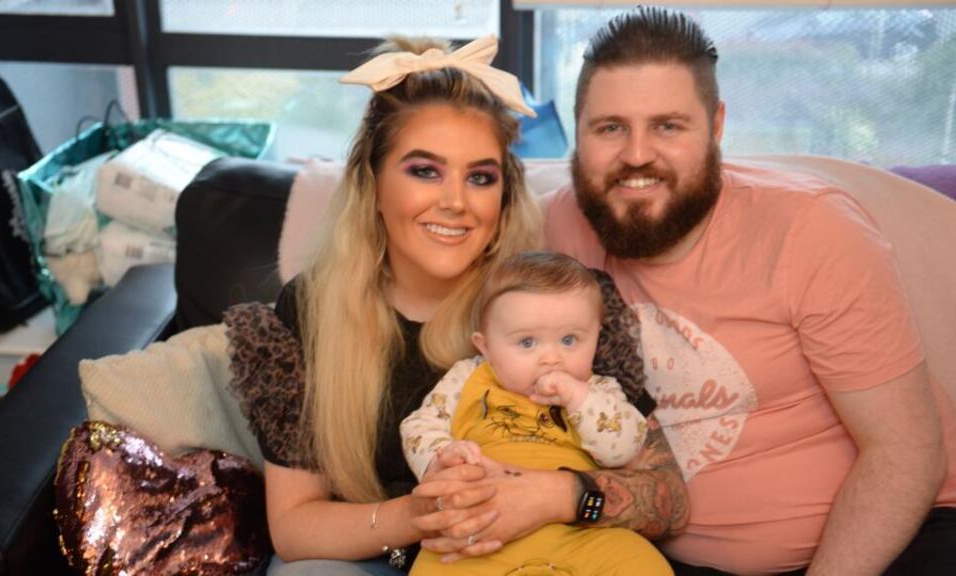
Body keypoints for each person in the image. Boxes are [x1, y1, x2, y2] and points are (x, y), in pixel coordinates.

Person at [224, 34, 682, 576]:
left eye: (480, 177)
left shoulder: (552, 302)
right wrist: (421, 515)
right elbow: (296, 529)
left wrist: (556, 497)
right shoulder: (312, 309)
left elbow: (668, 498)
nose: (456, 202)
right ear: (373, 182)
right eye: (425, 170)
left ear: (504, 194)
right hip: (396, 555)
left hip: (555, 549)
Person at [544, 6, 956, 575]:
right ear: (580, 132)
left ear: (715, 128)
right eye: (611, 127)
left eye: (668, 125)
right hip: (656, 553)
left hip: (892, 543)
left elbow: (907, 454)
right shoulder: (563, 227)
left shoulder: (812, 229)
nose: (637, 156)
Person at [400, 251, 671, 575]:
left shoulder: (598, 390)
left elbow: (625, 447)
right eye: (527, 342)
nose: (551, 358)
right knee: (436, 565)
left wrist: (579, 399)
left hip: (578, 534)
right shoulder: (469, 377)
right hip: (481, 533)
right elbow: (418, 424)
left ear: (596, 338)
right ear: (485, 347)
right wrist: (442, 457)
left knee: (640, 562)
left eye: (570, 340)